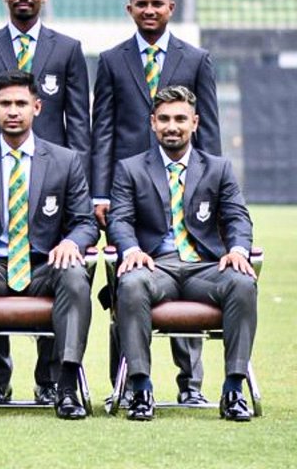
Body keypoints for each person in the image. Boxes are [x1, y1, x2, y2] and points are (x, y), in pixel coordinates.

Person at [0, 0, 91, 405]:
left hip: (50, 180)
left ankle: (55, 379)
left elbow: (81, 122)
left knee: (66, 266)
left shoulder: (68, 48)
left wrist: (82, 188)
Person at [91, 0, 221, 405]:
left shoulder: (197, 59)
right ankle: (126, 385)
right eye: (141, 3)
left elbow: (211, 136)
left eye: (157, 2)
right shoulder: (111, 60)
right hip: (129, 192)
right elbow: (103, 130)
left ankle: (191, 386)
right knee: (127, 279)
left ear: (171, 7)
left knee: (188, 263)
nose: (149, 10)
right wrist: (101, 192)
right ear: (130, 8)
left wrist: (213, 190)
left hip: (186, 189)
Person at [0, 70, 97, 421]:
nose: (14, 111)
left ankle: (67, 387)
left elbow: (86, 222)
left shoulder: (65, 161)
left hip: (44, 265)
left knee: (75, 274)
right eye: (6, 104)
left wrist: (71, 242)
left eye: (21, 104)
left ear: (37, 107)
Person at [108, 85, 257, 423]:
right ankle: (141, 389)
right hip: (155, 267)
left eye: (179, 119)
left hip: (205, 268)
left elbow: (237, 216)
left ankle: (234, 389)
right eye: (164, 119)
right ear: (152, 123)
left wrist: (237, 250)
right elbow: (119, 219)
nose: (171, 126)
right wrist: (131, 249)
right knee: (130, 284)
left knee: (243, 283)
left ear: (195, 122)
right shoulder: (130, 168)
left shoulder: (218, 168)